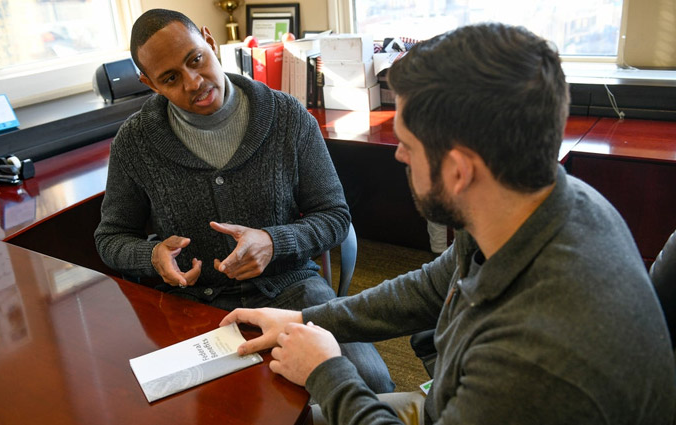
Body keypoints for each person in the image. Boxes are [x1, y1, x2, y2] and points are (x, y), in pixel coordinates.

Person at [220, 23, 676, 424]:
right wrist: (304, 319)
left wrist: (327, 372)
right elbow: (432, 286)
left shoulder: (535, 361)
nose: (398, 154)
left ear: (459, 170)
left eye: (407, 144)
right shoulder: (545, 196)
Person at [93, 9, 393, 393]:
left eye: (195, 59)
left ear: (210, 41)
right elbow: (111, 238)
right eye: (170, 78)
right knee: (218, 409)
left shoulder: (287, 117)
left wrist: (273, 242)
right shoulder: (135, 143)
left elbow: (334, 217)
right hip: (193, 305)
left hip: (292, 287)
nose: (194, 82)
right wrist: (150, 257)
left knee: (371, 384)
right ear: (149, 83)